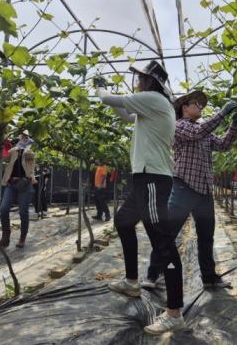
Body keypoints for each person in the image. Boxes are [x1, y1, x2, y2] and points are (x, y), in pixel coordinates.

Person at [95, 60, 185, 335]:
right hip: (143, 178)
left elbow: (109, 99)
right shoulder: (151, 106)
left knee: (162, 241)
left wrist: (100, 87)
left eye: (141, 78)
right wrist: (114, 97)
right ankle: (132, 281)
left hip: (154, 180)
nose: (137, 81)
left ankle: (174, 312)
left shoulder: (155, 99)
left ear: (150, 82)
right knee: (123, 221)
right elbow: (125, 115)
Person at [142, 90, 237, 290]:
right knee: (168, 232)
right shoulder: (178, 126)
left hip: (204, 190)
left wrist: (234, 125)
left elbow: (223, 145)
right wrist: (223, 112)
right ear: (184, 107)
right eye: (196, 104)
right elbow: (198, 132)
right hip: (183, 186)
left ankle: (209, 278)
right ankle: (152, 274)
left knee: (206, 236)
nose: (200, 107)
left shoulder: (204, 131)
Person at [0, 130, 36, 248]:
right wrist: (4, 143)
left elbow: (29, 157)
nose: (24, 138)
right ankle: (6, 235)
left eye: (26, 137)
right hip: (11, 183)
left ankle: (22, 238)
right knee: (4, 209)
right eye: (22, 136)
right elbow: (4, 156)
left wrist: (26, 147)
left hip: (25, 184)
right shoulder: (14, 150)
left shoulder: (30, 152)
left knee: (23, 212)